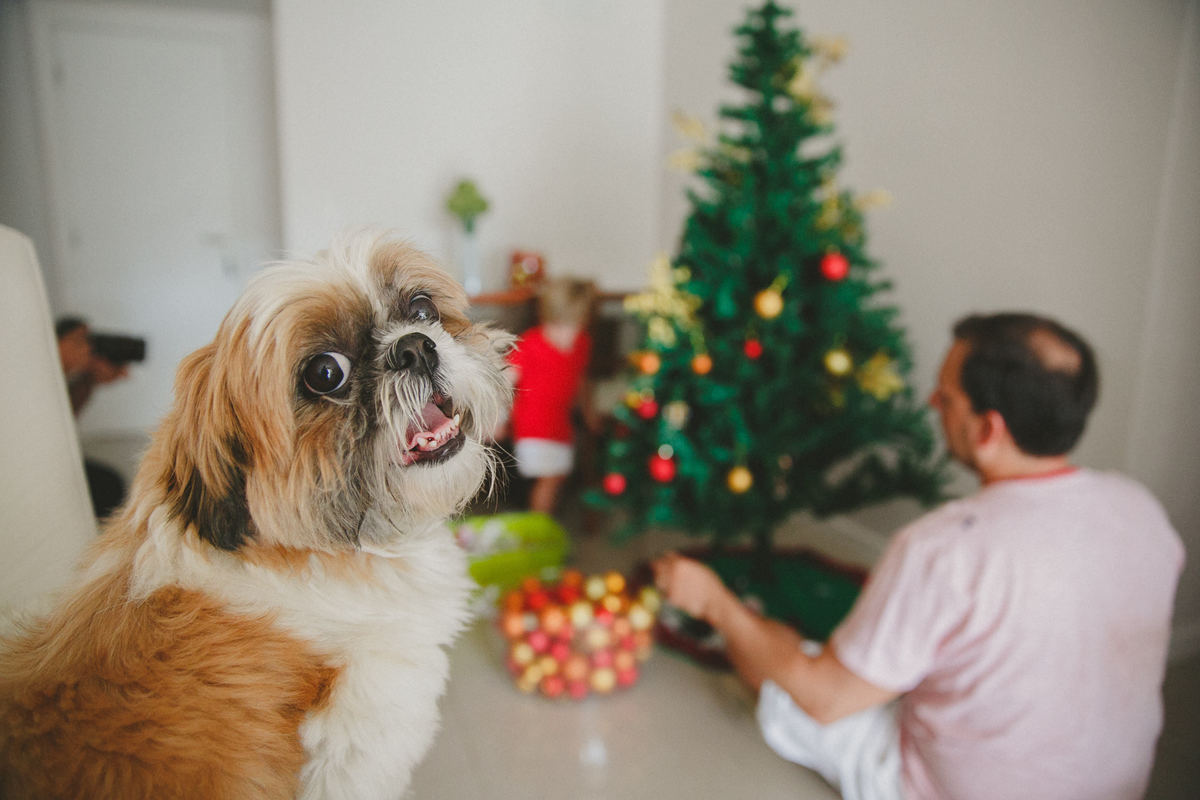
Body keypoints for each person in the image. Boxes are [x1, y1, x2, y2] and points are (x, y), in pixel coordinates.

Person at [653, 312, 1184, 800]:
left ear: (988, 429)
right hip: (1111, 786)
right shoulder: (1140, 510)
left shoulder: (945, 547)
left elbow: (824, 698)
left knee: (796, 688)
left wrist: (716, 602)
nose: (933, 401)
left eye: (947, 397)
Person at [506, 277, 599, 515]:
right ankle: (540, 525)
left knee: (556, 476)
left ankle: (540, 523)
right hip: (533, 424)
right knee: (550, 479)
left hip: (561, 425)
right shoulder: (530, 344)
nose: (567, 335)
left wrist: (589, 412)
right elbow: (505, 380)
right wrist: (496, 418)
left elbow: (580, 381)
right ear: (549, 319)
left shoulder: (581, 344)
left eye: (574, 326)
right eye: (559, 326)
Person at [55, 317, 131, 518]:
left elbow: (65, 421)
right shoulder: (34, 374)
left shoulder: (73, 379)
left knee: (109, 484)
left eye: (89, 341)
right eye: (78, 341)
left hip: (55, 456)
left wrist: (90, 382)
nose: (87, 349)